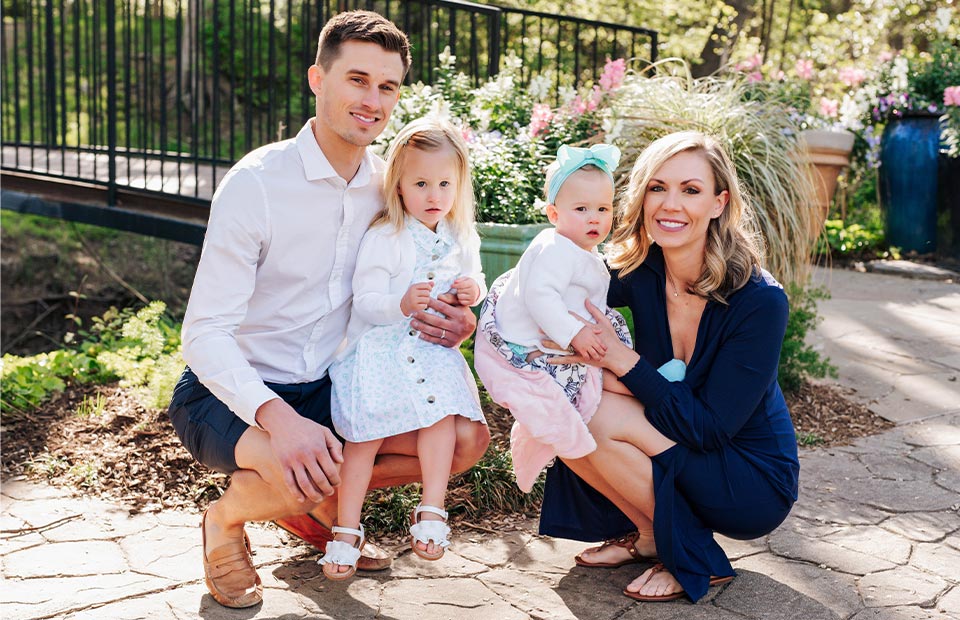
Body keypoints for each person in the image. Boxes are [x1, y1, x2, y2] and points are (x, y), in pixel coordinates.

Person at [167, 11, 489, 609]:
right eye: (357, 79)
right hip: (229, 391)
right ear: (318, 79)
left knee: (466, 439)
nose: (373, 100)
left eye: (387, 86)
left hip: (329, 386)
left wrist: (460, 317)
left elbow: (430, 269)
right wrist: (279, 421)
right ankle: (226, 520)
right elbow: (204, 333)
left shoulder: (393, 185)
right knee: (304, 466)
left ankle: (310, 503)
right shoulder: (257, 184)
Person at [540, 131, 799, 603]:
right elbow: (551, 283)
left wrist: (623, 365)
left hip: (750, 480)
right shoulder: (641, 272)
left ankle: (693, 555)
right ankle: (652, 535)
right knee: (557, 408)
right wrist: (467, 300)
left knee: (593, 410)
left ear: (720, 203)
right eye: (657, 187)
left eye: (691, 190)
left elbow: (710, 429)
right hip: (682, 440)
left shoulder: (760, 301)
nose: (670, 204)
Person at [318, 117, 487, 579]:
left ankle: (432, 508)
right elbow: (366, 299)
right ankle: (346, 527)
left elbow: (477, 279)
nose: (434, 195)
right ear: (398, 185)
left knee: (442, 416)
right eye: (421, 183)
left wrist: (474, 289)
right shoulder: (386, 236)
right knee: (364, 437)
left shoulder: (460, 236)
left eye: (445, 184)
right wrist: (399, 303)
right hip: (380, 350)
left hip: (430, 350)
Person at [474, 144, 686, 494]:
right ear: (554, 214)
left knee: (604, 369)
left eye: (603, 209)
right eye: (581, 208)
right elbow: (540, 297)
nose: (594, 218)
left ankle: (649, 387)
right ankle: (653, 388)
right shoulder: (553, 249)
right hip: (535, 347)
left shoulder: (578, 250)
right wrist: (574, 333)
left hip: (565, 335)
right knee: (600, 376)